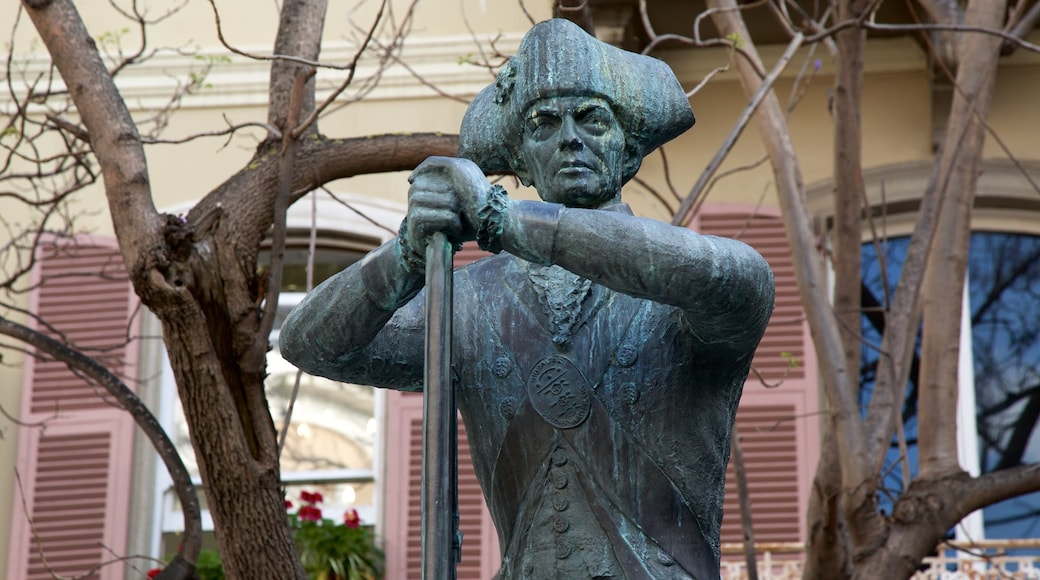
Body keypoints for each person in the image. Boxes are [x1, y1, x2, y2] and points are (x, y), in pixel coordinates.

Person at [280, 18, 774, 579]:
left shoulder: (683, 287)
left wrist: (501, 218)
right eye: (543, 124)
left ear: (630, 148)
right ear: (519, 158)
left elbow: (732, 276)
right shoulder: (466, 303)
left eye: (592, 118)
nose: (569, 137)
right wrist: (406, 257)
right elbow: (308, 344)